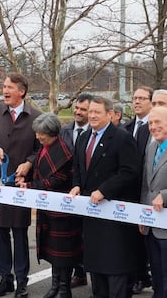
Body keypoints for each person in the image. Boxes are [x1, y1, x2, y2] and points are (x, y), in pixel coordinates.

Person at [0, 72, 42, 298]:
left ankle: (22, 280)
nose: (4, 90)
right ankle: (5, 278)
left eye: (9, 87)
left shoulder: (36, 116)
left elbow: (40, 149)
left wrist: (29, 163)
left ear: (21, 91)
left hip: (20, 184)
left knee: (20, 232)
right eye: (3, 86)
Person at [69, 96, 139, 298]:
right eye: (90, 111)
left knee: (115, 267)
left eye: (96, 112)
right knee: (96, 267)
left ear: (109, 114)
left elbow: (129, 171)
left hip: (114, 216)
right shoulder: (83, 137)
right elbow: (78, 168)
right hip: (91, 214)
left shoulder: (121, 138)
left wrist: (104, 190)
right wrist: (76, 185)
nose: (91, 115)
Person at [19, 113, 82, 298]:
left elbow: (56, 180)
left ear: (52, 132)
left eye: (41, 134)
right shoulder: (45, 147)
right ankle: (55, 286)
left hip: (62, 210)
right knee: (54, 251)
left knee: (63, 252)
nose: (38, 137)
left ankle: (64, 288)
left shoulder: (64, 151)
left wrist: (30, 186)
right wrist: (26, 178)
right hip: (47, 206)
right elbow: (39, 171)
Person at [122, 86, 153, 295]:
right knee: (130, 238)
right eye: (134, 98)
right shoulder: (127, 127)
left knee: (146, 239)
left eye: (142, 98)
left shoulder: (153, 126)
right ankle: (135, 275)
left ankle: (143, 276)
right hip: (128, 190)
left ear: (151, 101)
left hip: (149, 190)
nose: (137, 101)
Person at [60, 93, 92, 289]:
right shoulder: (64, 131)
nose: (78, 112)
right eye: (77, 108)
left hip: (88, 192)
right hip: (67, 191)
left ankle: (86, 270)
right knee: (70, 233)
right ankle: (77, 273)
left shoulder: (95, 133)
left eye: (83, 109)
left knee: (85, 234)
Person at [140, 106, 167, 298]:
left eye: (158, 122)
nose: (153, 126)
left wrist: (165, 196)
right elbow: (145, 185)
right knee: (157, 274)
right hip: (151, 224)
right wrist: (142, 215)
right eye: (150, 123)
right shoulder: (152, 147)